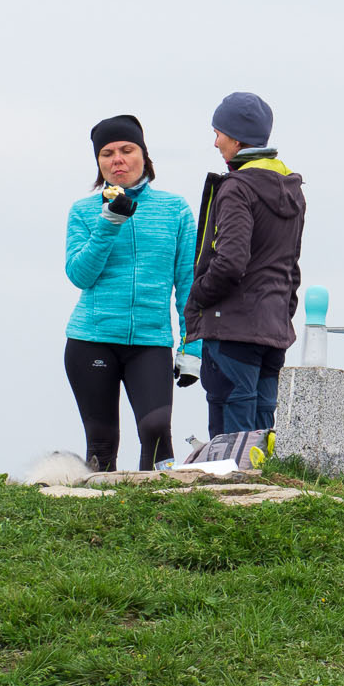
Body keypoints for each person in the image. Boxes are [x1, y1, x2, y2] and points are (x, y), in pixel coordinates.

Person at [63, 115, 200, 472]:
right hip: (91, 339)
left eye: (127, 149)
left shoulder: (175, 209)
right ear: (98, 162)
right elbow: (80, 275)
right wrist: (108, 222)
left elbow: (188, 282)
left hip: (150, 341)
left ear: (144, 155)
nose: (117, 159)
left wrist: (192, 346)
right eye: (107, 153)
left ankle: (161, 520)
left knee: (156, 429)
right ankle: (100, 521)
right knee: (103, 444)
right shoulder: (83, 211)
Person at [186, 92, 307, 436]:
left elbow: (229, 262)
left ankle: (233, 490)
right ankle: (267, 491)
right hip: (272, 330)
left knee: (230, 438)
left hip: (232, 327)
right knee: (261, 430)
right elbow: (291, 266)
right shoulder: (292, 189)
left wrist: (198, 297)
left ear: (236, 139)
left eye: (219, 133)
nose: (215, 142)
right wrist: (282, 313)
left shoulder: (237, 188)